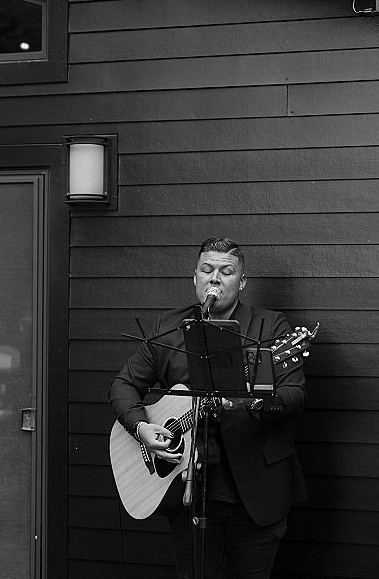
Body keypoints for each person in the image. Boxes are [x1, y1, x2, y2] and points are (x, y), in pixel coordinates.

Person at [109, 237, 307, 579]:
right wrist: (142, 428)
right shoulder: (170, 328)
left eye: (227, 272)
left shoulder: (269, 328)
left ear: (241, 282)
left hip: (258, 490)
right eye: (207, 269)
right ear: (195, 278)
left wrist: (255, 399)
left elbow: (295, 395)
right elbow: (123, 385)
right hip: (187, 489)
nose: (215, 278)